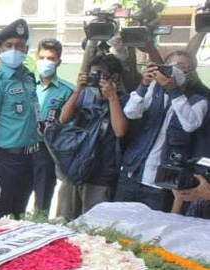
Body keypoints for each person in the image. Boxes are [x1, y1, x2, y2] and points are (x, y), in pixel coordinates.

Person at [118, 51, 209, 212]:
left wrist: (174, 91)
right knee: (117, 222)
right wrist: (144, 84)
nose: (175, 70)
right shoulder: (153, 90)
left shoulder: (199, 101)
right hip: (132, 173)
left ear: (190, 73)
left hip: (163, 182)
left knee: (154, 225)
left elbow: (190, 124)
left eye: (181, 67)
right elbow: (131, 112)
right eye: (171, 66)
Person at [0, 18, 40, 219]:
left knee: (19, 218)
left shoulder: (28, 78)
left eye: (19, 46)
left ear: (26, 49)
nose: (14, 50)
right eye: (9, 45)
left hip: (28, 158)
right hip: (4, 162)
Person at [56, 54, 128, 220]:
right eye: (92, 75)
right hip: (75, 168)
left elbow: (120, 131)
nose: (95, 80)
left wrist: (112, 97)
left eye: (100, 75)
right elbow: (63, 119)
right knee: (63, 220)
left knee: (95, 225)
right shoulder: (85, 95)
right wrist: (78, 90)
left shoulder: (124, 100)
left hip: (100, 174)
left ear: (114, 77)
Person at [33, 38, 74, 214]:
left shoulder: (68, 91)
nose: (46, 62)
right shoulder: (25, 84)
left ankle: (39, 224)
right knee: (14, 195)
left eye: (50, 59)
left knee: (42, 200)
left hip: (46, 150)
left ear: (58, 62)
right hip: (20, 147)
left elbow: (71, 125)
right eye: (42, 57)